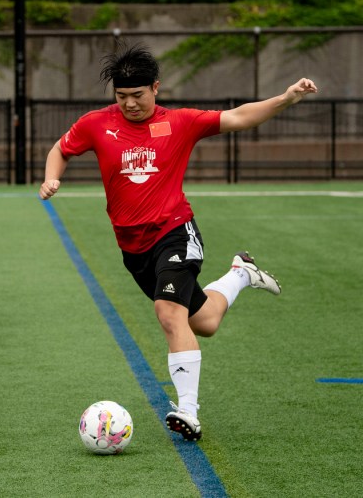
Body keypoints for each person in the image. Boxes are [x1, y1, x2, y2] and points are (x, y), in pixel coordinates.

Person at [39, 44, 317, 441]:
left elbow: (238, 116)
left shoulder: (181, 122)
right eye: (122, 97)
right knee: (203, 323)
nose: (130, 104)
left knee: (169, 313)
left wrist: (287, 97)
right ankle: (240, 274)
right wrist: (53, 177)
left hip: (175, 231)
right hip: (133, 249)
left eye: (138, 95)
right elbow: (60, 149)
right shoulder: (96, 124)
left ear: (156, 87)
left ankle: (188, 412)